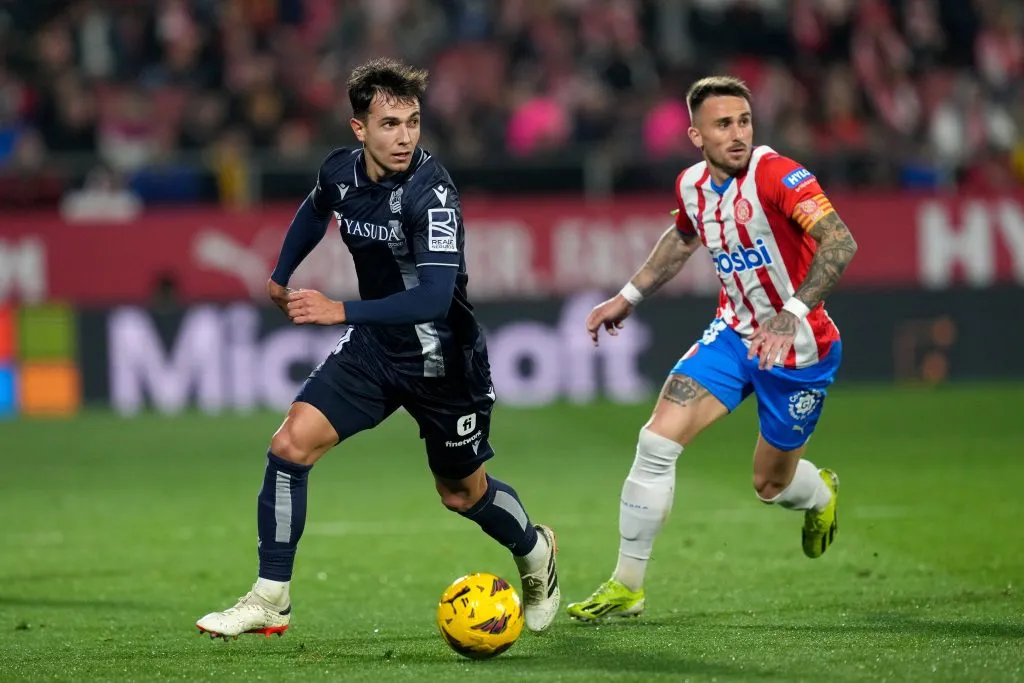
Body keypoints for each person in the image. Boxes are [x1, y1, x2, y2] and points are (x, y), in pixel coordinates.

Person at [196, 58, 559, 639]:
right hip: (374, 350)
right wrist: (280, 273)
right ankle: (271, 596)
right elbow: (317, 209)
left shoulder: (431, 193)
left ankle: (535, 549)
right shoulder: (341, 171)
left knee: (461, 493)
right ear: (358, 128)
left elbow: (435, 299)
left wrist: (339, 309)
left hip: (445, 363)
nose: (405, 136)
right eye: (390, 123)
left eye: (413, 122)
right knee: (290, 446)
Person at [566, 76, 858, 622]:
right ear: (695, 135)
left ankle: (818, 493)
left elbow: (841, 241)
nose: (738, 133)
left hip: (797, 348)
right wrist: (627, 297)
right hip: (732, 336)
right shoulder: (692, 185)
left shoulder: (777, 174)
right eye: (723, 124)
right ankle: (627, 586)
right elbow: (682, 237)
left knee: (769, 484)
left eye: (744, 121)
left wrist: (789, 313)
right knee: (655, 441)